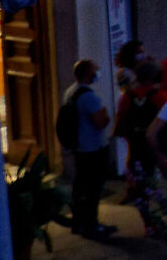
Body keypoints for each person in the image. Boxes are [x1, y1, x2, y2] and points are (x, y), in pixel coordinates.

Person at [58, 58, 114, 238]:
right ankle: (91, 224)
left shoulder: (70, 92)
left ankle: (79, 221)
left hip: (79, 148)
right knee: (93, 188)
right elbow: (101, 122)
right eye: (96, 70)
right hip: (93, 149)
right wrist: (105, 115)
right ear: (89, 74)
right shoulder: (89, 96)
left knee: (81, 187)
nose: (98, 73)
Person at [117, 59, 163, 196]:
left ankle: (135, 188)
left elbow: (121, 116)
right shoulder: (160, 96)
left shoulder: (127, 97)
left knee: (134, 162)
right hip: (154, 138)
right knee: (152, 166)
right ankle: (152, 190)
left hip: (134, 138)